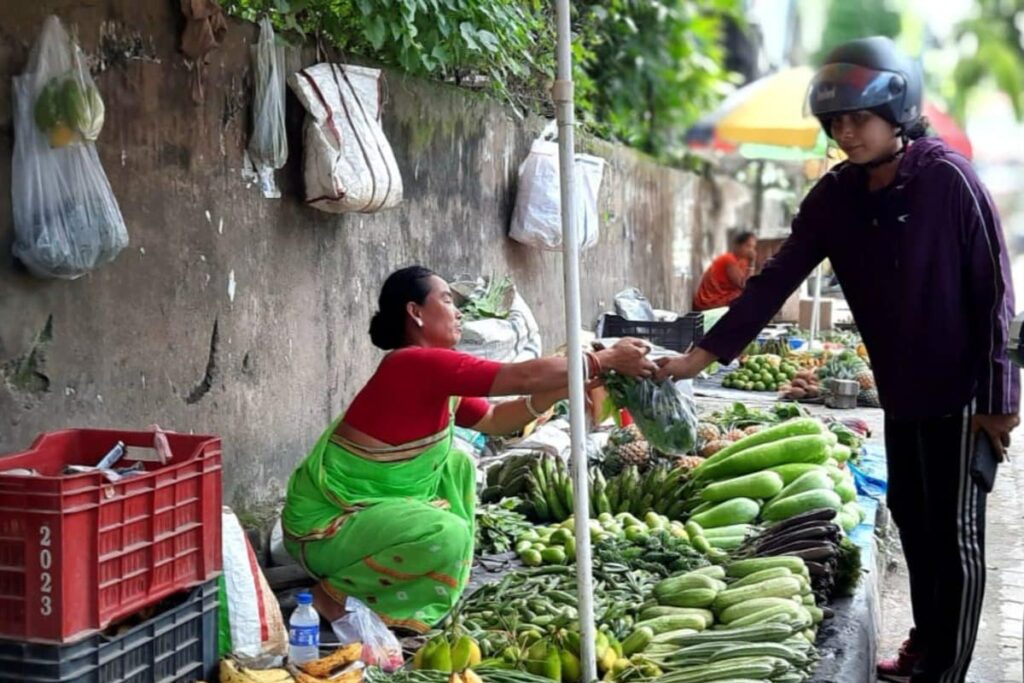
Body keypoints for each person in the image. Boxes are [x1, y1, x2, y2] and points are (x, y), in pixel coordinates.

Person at [657, 37, 1019, 683]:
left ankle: (945, 669)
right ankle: (929, 639)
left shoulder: (951, 181)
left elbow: (995, 293)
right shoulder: (836, 197)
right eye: (836, 122)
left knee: (955, 539)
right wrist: (703, 355)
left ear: (897, 111)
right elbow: (773, 281)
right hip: (900, 390)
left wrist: (1000, 398)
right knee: (910, 512)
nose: (846, 133)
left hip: (963, 394)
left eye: (858, 118)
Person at [282, 266, 657, 633]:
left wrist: (577, 381)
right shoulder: (412, 364)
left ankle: (390, 587)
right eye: (447, 300)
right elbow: (520, 377)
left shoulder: (436, 379)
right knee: (447, 533)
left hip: (366, 523)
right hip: (326, 531)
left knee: (458, 464)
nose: (458, 311)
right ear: (416, 313)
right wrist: (603, 359)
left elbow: (495, 420)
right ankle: (331, 597)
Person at [692, 231, 757, 311]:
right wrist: (752, 263)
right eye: (748, 246)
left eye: (753, 247)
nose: (751, 251)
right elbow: (743, 285)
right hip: (710, 301)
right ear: (738, 246)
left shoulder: (743, 262)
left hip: (724, 298)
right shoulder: (729, 259)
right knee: (744, 297)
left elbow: (748, 283)